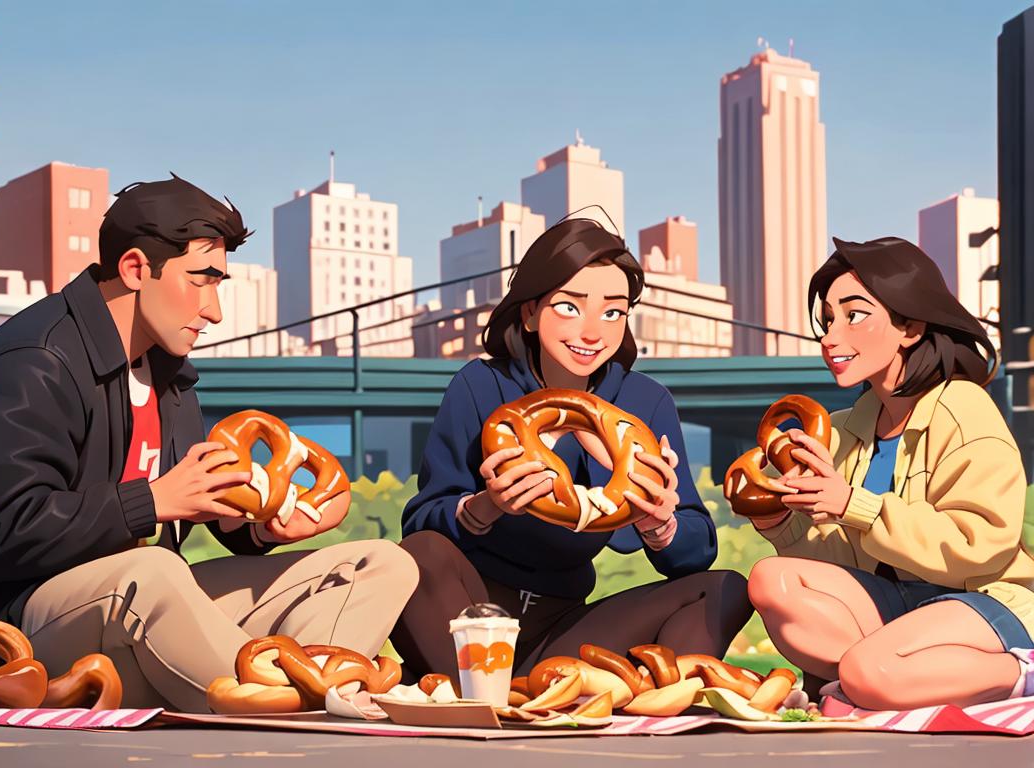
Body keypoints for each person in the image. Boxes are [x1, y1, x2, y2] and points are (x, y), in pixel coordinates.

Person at [0, 175, 418, 712]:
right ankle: (302, 701)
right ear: (134, 269)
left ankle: (292, 692)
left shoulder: (169, 376)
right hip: (14, 630)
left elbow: (187, 503)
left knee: (380, 563)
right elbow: (1, 536)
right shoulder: (34, 361)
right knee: (154, 572)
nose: (215, 310)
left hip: (140, 621)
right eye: (202, 280)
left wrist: (253, 527)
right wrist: (151, 501)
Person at [392, 216, 751, 682]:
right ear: (529, 313)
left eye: (613, 312)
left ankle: (653, 702)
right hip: (467, 617)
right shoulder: (480, 386)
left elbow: (694, 550)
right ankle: (480, 697)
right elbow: (421, 520)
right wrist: (485, 507)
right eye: (569, 307)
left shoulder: (644, 402)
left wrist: (659, 523)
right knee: (418, 554)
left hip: (565, 627)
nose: (591, 332)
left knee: (724, 589)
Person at [746, 236, 1034, 709]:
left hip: (983, 598)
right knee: (770, 580)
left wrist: (851, 503)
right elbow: (839, 559)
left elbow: (980, 545)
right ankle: (878, 684)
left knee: (868, 670)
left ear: (911, 326)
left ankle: (1016, 673)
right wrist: (783, 524)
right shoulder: (842, 429)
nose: (830, 336)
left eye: (854, 315)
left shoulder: (962, 406)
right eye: (827, 320)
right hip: (895, 602)